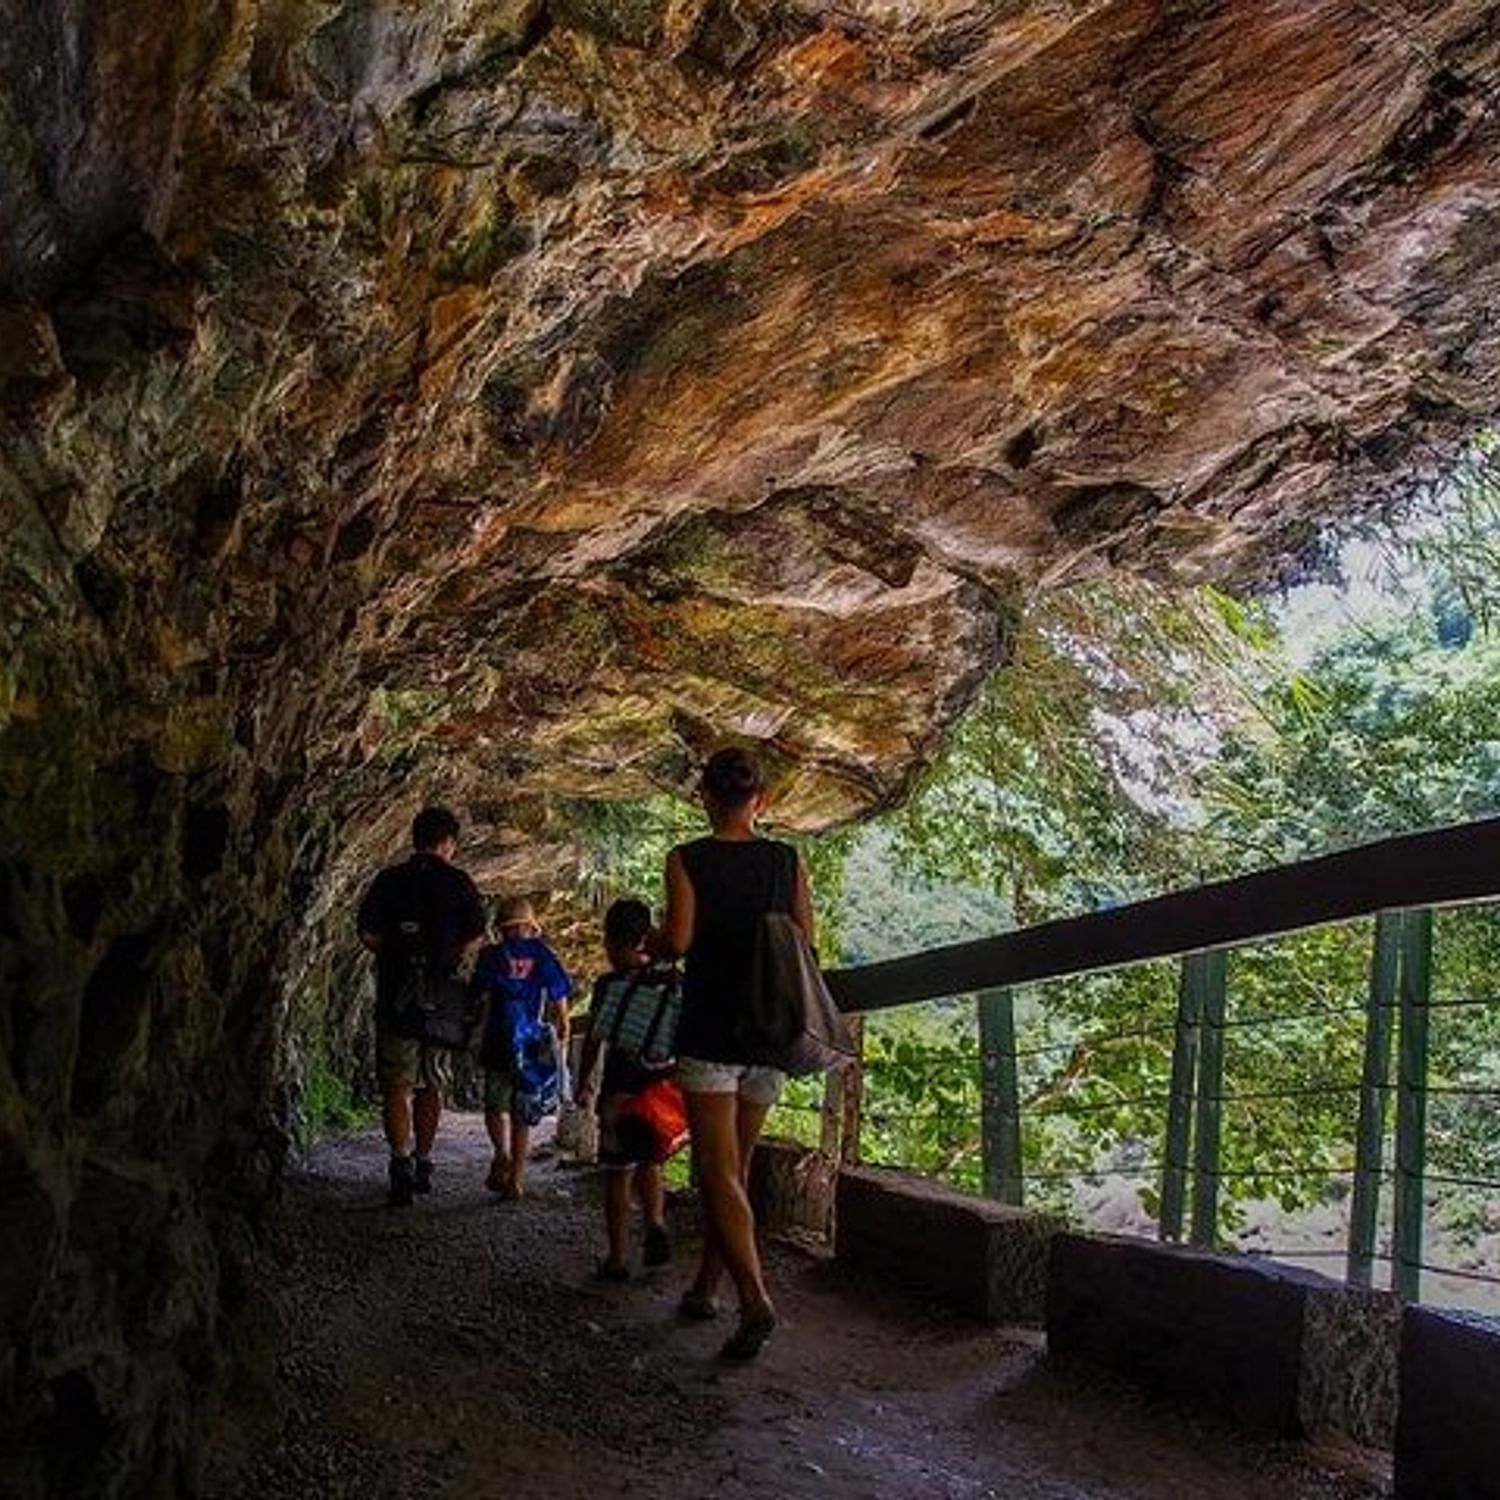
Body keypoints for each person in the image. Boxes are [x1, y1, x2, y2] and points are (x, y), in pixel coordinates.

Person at [654, 745, 816, 1360]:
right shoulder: (786, 860)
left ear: (704, 797)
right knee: (736, 1169)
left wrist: (654, 943)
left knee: (716, 1170)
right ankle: (705, 1287)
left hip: (713, 1026)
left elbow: (680, 939)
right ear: (761, 801)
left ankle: (754, 1299)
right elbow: (806, 940)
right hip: (770, 1031)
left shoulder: (687, 859)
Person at [357, 805, 487, 1207]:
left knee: (397, 1082)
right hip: (441, 998)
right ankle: (424, 1161)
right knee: (432, 1081)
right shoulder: (459, 882)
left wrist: (395, 957)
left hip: (397, 994)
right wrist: (448, 961)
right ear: (447, 843)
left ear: (414, 839)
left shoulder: (389, 880)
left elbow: (368, 934)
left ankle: (399, 1163)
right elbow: (476, 934)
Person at [576, 898, 674, 1282]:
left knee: (618, 1172)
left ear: (616, 942)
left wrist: (585, 1082)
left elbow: (595, 1038)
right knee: (651, 1163)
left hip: (620, 1090)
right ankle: (655, 1221)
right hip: (659, 1090)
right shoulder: (670, 983)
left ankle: (618, 1257)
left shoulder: (609, 985)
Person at [473, 896, 572, 1200]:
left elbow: (478, 995)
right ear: (530, 926)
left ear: (501, 928)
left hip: (497, 1040)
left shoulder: (491, 955)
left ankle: (501, 1154)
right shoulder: (542, 955)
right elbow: (558, 998)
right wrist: (563, 1027)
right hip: (529, 1044)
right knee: (522, 1112)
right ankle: (516, 1180)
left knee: (494, 1105)